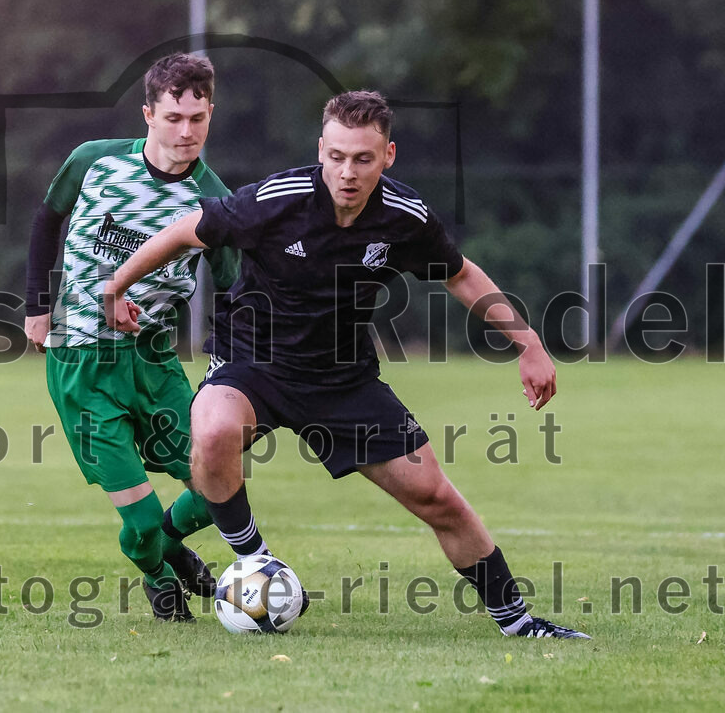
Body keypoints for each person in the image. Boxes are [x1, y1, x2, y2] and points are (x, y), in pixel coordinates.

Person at [104, 90, 590, 639]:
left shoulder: (405, 217)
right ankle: (256, 563)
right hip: (253, 361)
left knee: (436, 497)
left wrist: (527, 342)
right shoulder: (275, 199)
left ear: (388, 156)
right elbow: (185, 230)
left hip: (341, 379)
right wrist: (117, 286)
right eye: (335, 156)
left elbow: (458, 272)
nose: (347, 171)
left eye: (363, 158)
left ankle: (519, 623)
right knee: (213, 430)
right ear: (321, 151)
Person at [24, 53, 240, 622]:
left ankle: (169, 550)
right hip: (81, 362)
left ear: (210, 115)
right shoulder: (92, 161)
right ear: (148, 113)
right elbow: (48, 221)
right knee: (139, 522)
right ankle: (159, 574)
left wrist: (237, 367)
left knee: (219, 484)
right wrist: (35, 305)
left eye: (197, 118)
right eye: (173, 117)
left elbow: (237, 292)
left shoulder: (216, 203)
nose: (185, 131)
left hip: (154, 363)